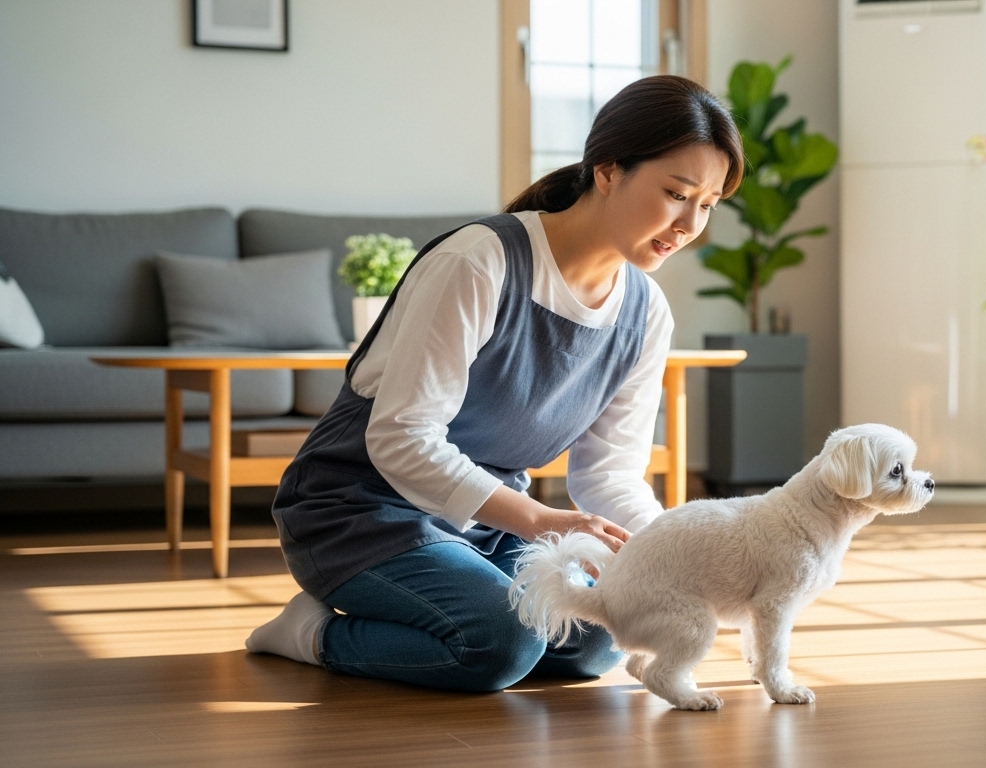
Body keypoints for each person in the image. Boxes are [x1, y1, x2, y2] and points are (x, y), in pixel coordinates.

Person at [244, 75, 744, 692]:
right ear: (609, 170)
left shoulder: (646, 312)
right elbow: (402, 439)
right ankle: (310, 632)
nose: (690, 223)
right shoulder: (479, 261)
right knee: (500, 643)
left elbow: (610, 475)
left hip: (489, 525)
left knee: (602, 635)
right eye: (676, 193)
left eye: (708, 204)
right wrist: (539, 520)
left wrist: (672, 554)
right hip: (360, 512)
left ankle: (446, 601)